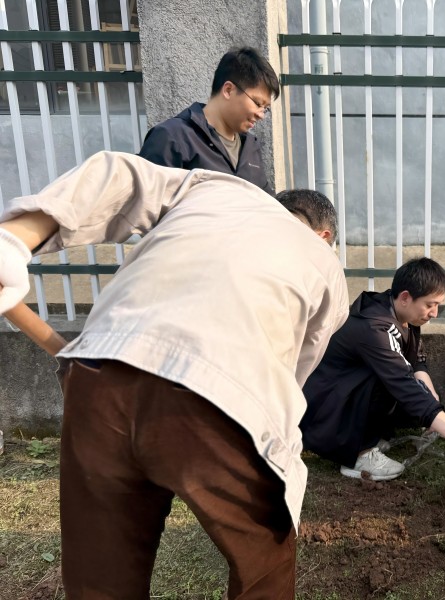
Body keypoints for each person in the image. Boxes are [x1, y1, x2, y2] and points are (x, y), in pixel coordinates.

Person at [0, 152, 349, 599]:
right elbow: (294, 372)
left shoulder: (218, 190)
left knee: (100, 581)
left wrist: (15, 239)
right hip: (226, 397)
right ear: (325, 236)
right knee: (264, 566)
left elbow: (121, 174)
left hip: (100, 376)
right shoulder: (324, 264)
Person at [300, 257, 445, 481]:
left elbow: (415, 359)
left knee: (411, 386)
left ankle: (367, 439)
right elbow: (404, 383)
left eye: (438, 305)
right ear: (405, 297)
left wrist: (430, 394)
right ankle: (357, 455)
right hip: (326, 411)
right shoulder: (374, 328)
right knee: (389, 380)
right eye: (430, 304)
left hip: (343, 399)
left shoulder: (402, 314)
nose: (434, 313)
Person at [138, 46, 280, 194]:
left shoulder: (250, 148)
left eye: (265, 108)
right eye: (257, 103)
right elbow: (148, 205)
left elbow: (267, 203)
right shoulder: (173, 138)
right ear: (228, 90)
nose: (261, 114)